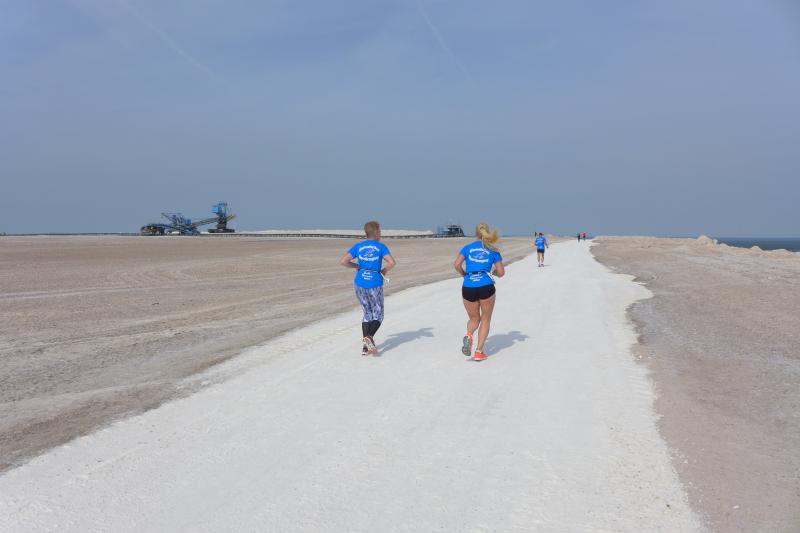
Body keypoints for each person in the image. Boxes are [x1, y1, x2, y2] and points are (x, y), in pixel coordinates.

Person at [339, 221, 396, 355]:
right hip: (374, 283)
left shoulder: (358, 246)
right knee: (378, 313)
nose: (381, 233)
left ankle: (366, 348)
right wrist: (384, 271)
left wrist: (356, 266)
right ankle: (369, 337)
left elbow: (343, 261)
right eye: (380, 231)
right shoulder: (381, 247)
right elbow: (392, 262)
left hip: (359, 283)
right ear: (376, 232)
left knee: (367, 313)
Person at [454, 223, 505, 361]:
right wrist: (493, 273)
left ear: (476, 233)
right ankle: (478, 352)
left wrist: (464, 275)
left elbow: (456, 264)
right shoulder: (493, 250)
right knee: (486, 319)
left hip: (468, 285)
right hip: (485, 285)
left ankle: (469, 335)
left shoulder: (467, 248)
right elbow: (501, 272)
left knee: (474, 318)